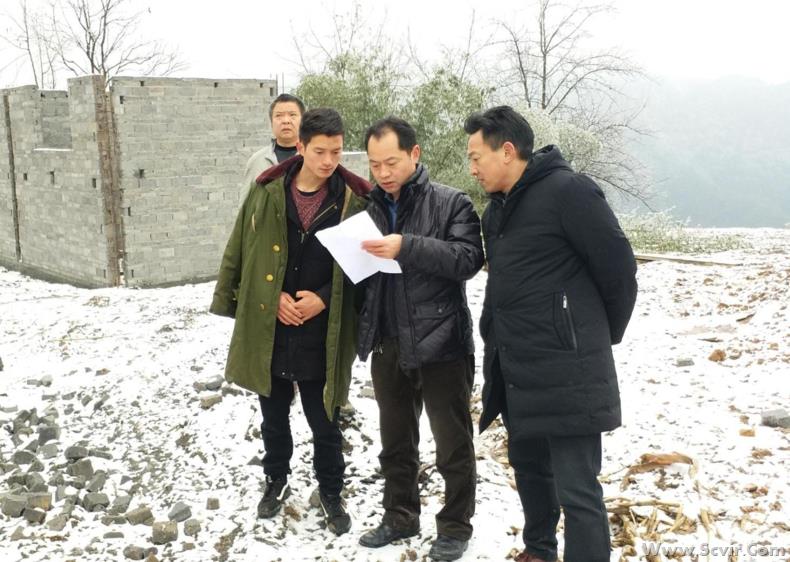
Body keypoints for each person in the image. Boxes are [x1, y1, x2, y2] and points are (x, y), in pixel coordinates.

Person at [464, 106, 638, 562]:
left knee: (577, 489)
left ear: (507, 150)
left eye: (476, 157)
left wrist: (591, 336)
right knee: (530, 471)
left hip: (567, 370)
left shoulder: (569, 192)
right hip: (517, 366)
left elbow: (619, 270)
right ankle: (539, 549)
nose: (472, 168)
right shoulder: (495, 212)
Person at [210, 107, 370, 536]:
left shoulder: (354, 199)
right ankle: (276, 480)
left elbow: (363, 268)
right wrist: (266, 298)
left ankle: (331, 491)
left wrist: (323, 300)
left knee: (325, 420)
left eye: (336, 151)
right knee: (273, 417)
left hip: (322, 331)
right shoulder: (267, 191)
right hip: (273, 326)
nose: (329, 161)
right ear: (300, 147)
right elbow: (242, 248)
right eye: (320, 152)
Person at [356, 117, 484, 561]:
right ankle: (400, 516)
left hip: (441, 342)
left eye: (391, 162)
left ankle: (455, 526)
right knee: (395, 442)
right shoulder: (368, 209)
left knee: (452, 443)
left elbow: (468, 259)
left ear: (415, 154)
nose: (383, 173)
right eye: (375, 165)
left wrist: (406, 246)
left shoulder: (452, 202)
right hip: (388, 342)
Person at [240, 93, 306, 204]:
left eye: (292, 115)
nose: (286, 121)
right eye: (279, 116)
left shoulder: (312, 158)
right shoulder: (257, 161)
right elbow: (245, 204)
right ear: (271, 122)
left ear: (303, 121)